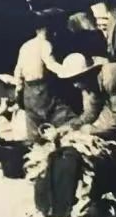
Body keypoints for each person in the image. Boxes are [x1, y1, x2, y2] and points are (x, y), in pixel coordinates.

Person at [13, 13, 76, 142]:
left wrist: (18, 89)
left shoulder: (25, 45)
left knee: (34, 125)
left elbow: (18, 70)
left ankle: (36, 146)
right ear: (49, 29)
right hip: (41, 90)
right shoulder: (45, 44)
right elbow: (51, 64)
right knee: (63, 116)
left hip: (28, 92)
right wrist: (69, 71)